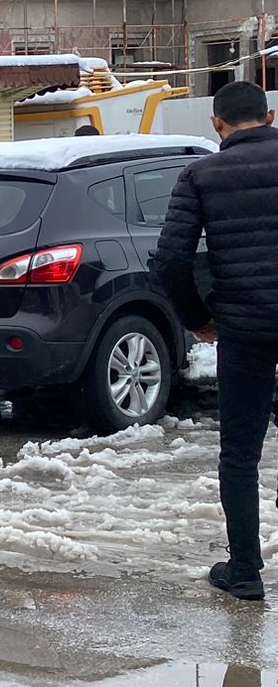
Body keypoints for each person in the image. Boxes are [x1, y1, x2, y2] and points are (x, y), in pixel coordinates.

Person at [151, 79, 278, 601]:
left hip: (245, 330)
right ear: (269, 118)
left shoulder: (201, 174)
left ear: (217, 126)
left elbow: (171, 260)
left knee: (240, 453)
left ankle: (244, 571)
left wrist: (198, 319)